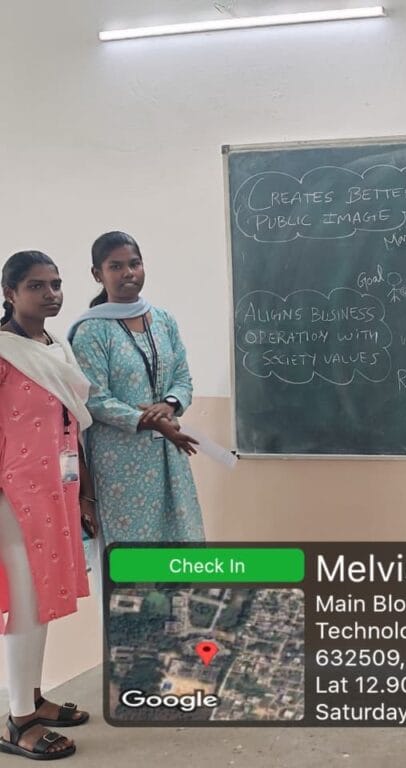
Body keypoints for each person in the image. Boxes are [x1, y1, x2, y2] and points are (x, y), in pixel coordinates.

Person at [0, 251, 95, 759]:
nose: (51, 294)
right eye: (37, 286)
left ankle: (33, 699)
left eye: (56, 284)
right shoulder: (3, 352)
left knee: (44, 599)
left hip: (56, 491)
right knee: (26, 600)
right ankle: (17, 722)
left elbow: (70, 425)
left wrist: (84, 492)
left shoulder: (55, 347)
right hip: (12, 496)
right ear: (10, 293)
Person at [69, 231, 204, 544]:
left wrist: (169, 405)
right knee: (132, 546)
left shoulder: (163, 320)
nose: (128, 273)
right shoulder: (91, 330)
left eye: (135, 264)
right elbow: (95, 399)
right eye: (116, 266)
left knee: (178, 539)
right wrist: (148, 421)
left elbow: (182, 378)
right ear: (97, 274)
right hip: (120, 461)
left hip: (169, 450)